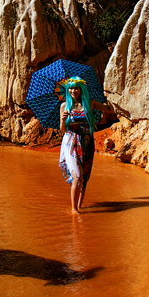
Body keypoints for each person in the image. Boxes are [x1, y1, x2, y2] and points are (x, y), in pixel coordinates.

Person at [58, 77, 112, 215]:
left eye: (76, 88)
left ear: (81, 89)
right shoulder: (64, 106)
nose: (73, 91)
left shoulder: (90, 103)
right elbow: (62, 130)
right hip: (71, 141)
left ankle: (80, 207)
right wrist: (63, 121)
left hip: (87, 141)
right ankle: (73, 209)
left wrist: (110, 97)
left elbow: (109, 110)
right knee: (77, 176)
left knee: (85, 176)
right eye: (70, 88)